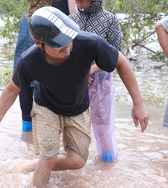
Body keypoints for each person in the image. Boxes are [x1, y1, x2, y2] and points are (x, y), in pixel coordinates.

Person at [0, 6, 149, 188]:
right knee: (48, 158)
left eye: (68, 39)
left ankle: (29, 165)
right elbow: (12, 89)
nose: (66, 46)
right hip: (46, 106)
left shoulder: (89, 43)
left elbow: (121, 62)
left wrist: (138, 103)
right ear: (39, 44)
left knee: (77, 162)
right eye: (58, 43)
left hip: (77, 107)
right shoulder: (29, 61)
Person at [69, 0, 122, 162]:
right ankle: (73, 163)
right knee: (72, 124)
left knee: (102, 125)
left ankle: (107, 165)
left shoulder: (110, 20)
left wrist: (90, 71)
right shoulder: (71, 19)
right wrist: (79, 74)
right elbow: (64, 51)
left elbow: (116, 53)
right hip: (75, 80)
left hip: (100, 81)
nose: (78, 1)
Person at [14, 0, 77, 132]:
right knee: (28, 72)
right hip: (45, 23)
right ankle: (30, 131)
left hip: (42, 22)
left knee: (29, 73)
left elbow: (74, 14)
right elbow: (74, 14)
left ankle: (29, 133)